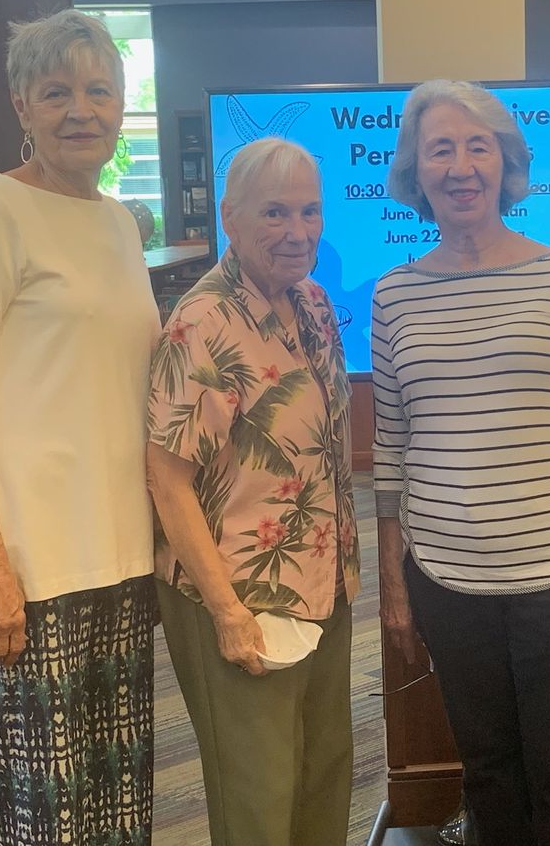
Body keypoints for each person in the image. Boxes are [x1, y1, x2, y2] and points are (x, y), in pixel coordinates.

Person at [373, 79, 550, 846]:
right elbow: (389, 449)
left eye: (478, 145)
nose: (461, 165)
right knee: (488, 771)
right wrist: (393, 585)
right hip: (447, 580)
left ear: (505, 162)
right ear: (414, 171)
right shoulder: (394, 295)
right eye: (441, 148)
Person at [0, 10, 159, 845]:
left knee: (119, 793)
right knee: (47, 807)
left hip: (123, 555)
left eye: (99, 90)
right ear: (21, 103)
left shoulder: (121, 222)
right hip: (32, 561)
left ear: (122, 106)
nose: (79, 110)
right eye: (56, 92)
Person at [146, 136, 359, 846]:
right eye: (274, 213)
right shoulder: (202, 323)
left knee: (323, 774)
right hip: (236, 594)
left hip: (323, 583)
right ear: (230, 216)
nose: (297, 232)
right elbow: (167, 481)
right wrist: (228, 611)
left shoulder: (317, 304)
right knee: (258, 799)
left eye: (309, 211)